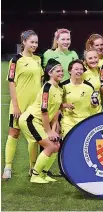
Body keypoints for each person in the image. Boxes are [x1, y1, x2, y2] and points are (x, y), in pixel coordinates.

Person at [2, 30, 43, 179]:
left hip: (34, 106)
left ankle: (33, 168)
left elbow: (41, 82)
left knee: (34, 137)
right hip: (19, 104)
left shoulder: (39, 59)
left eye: (36, 42)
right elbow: (11, 83)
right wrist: (16, 106)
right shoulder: (15, 60)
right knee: (14, 133)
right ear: (24, 42)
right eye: (31, 42)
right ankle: (8, 167)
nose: (34, 45)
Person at [18, 59, 63, 183]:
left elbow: (54, 113)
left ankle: (43, 174)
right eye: (58, 71)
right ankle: (35, 175)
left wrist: (54, 131)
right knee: (49, 145)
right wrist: (48, 131)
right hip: (30, 120)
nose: (61, 73)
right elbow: (44, 111)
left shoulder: (59, 89)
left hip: (40, 122)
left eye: (62, 71)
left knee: (56, 145)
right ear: (50, 73)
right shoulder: (47, 88)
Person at [60, 60, 99, 138]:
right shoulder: (63, 86)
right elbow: (56, 105)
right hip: (68, 122)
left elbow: (94, 106)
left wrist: (94, 104)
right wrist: (65, 105)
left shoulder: (89, 87)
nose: (79, 71)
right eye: (76, 69)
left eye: (81, 69)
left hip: (85, 121)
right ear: (70, 71)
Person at [82, 49, 103, 114]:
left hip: (98, 110)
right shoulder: (82, 73)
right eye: (90, 58)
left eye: (95, 57)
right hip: (86, 112)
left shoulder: (101, 70)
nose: (93, 60)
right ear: (85, 60)